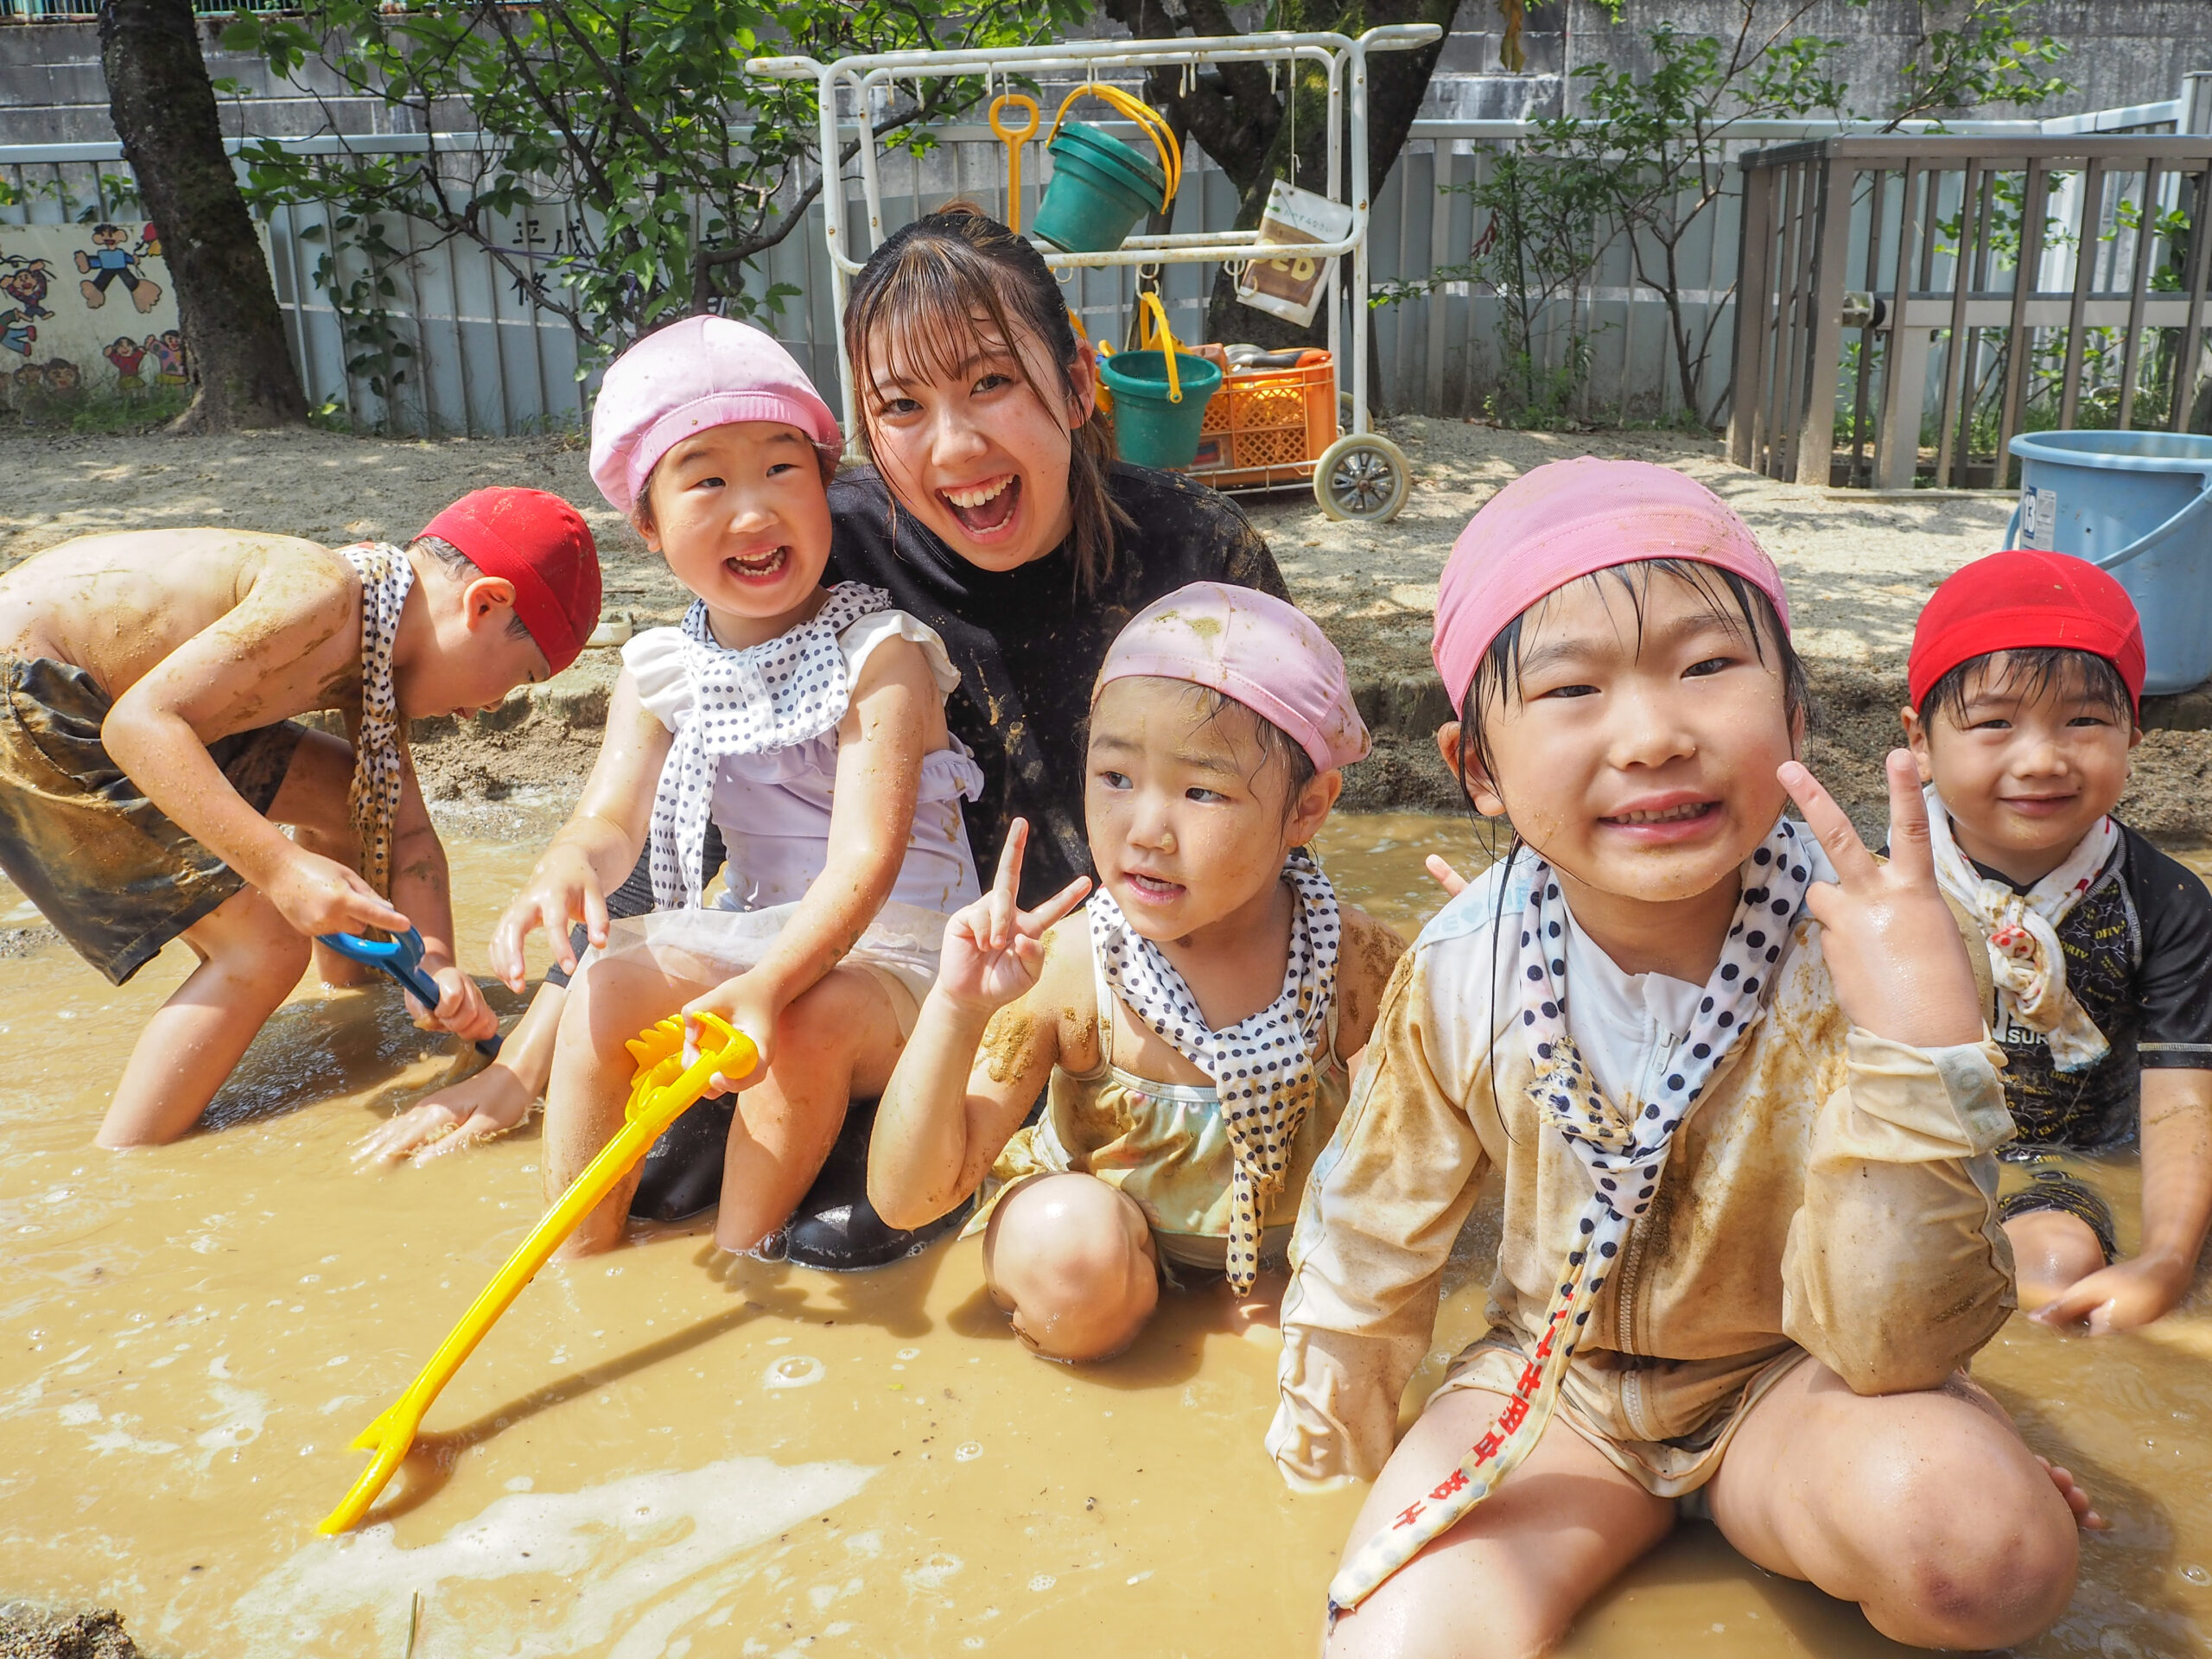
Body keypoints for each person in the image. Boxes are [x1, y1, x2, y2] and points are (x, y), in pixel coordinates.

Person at [1274, 459, 2092, 1658]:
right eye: (1570, 688)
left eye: (1708, 668)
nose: (1654, 737)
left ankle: (1919, 1475)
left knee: (1988, 1556)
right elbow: (1370, 1235)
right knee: (1391, 1644)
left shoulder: (1886, 945)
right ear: (1477, 769)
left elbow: (1896, 1347)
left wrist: (1918, 1041)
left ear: (1796, 716)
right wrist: (1343, 1442)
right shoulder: (1462, 966)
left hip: (1800, 1383)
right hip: (1561, 1387)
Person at [480, 315, 987, 1259]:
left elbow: (867, 865)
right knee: (600, 983)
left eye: (782, 470)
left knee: (806, 1020)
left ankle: (740, 1261)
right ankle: (581, 1256)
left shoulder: (882, 656)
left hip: (897, 961)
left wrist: (769, 985)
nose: (753, 513)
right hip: (756, 939)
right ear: (647, 524)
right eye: (707, 481)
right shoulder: (660, 671)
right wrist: (566, 865)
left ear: (826, 487)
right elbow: (610, 821)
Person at [868, 584, 1404, 1358]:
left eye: (1202, 791)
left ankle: (1246, 1307)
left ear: (1307, 809)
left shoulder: (1354, 964)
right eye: (1116, 777)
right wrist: (955, 1009)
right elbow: (909, 1199)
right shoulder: (1070, 971)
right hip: (1107, 1253)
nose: (1147, 831)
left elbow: (1439, 1160)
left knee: (1319, 1338)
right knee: (1072, 1257)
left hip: (1284, 1251)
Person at [0, 489, 601, 1146]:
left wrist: (433, 964)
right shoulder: (324, 598)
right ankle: (131, 1156)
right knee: (265, 945)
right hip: (33, 692)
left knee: (352, 794)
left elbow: (406, 831)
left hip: (124, 693)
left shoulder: (379, 629)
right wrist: (282, 869)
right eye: (519, 677)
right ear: (484, 604)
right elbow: (138, 727)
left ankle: (352, 996)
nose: (489, 707)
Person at [1904, 549, 2212, 1332]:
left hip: (2068, 1166)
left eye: (2084, 721)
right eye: (1995, 723)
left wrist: (2166, 1259)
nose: (2041, 760)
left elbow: (2180, 1099)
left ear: (2134, 732)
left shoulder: (2165, 902)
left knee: (2052, 1272)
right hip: (1911, 1155)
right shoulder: (1882, 887)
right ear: (1920, 740)